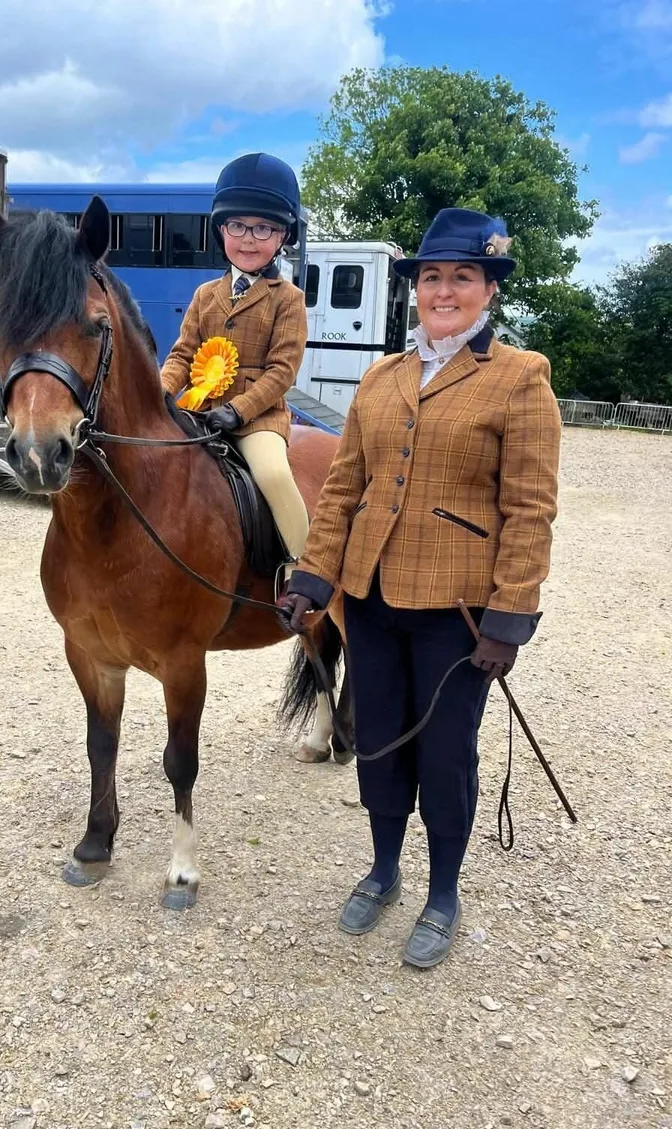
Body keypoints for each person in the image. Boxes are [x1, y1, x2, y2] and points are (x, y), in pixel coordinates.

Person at [278, 208, 562, 969]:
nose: (443, 290)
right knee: (378, 739)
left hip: (457, 610)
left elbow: (529, 508)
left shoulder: (519, 379)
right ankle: (382, 868)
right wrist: (314, 577)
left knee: (444, 755)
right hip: (369, 599)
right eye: (431, 277)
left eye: (461, 277)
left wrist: (511, 614)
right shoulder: (382, 376)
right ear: (415, 291)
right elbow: (341, 491)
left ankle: (443, 892)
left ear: (488, 290)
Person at [161, 154, 309, 571]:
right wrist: (159, 393)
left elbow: (282, 371)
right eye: (238, 226)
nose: (248, 239)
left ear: (283, 236)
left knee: (275, 476)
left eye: (263, 228)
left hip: (256, 418)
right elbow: (182, 355)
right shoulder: (205, 294)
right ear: (221, 229)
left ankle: (305, 569)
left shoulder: (288, 300)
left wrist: (237, 410)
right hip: (199, 410)